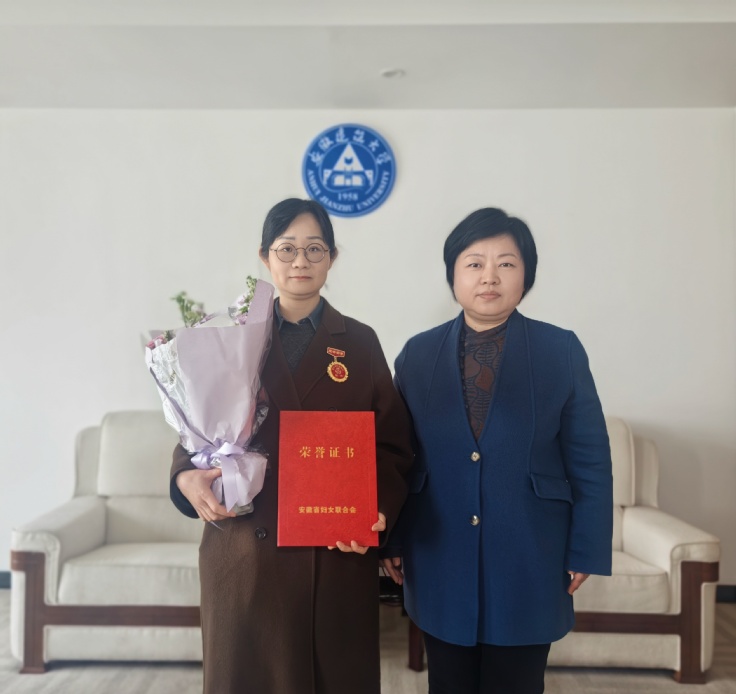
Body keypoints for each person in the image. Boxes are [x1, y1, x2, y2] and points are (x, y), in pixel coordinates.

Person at [170, 198, 413, 694]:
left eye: (314, 249)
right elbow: (193, 428)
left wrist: (377, 513)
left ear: (332, 258)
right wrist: (184, 477)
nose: (300, 260)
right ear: (265, 257)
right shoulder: (229, 338)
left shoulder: (360, 343)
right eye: (287, 249)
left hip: (335, 553)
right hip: (245, 552)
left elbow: (392, 446)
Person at [381, 207, 613, 694]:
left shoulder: (560, 350)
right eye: (474, 263)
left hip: (530, 551)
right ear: (453, 274)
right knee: (448, 683)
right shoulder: (417, 355)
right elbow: (400, 458)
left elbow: (590, 460)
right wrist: (393, 540)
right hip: (439, 550)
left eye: (506, 263)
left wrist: (586, 547)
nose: (489, 276)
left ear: (526, 274)